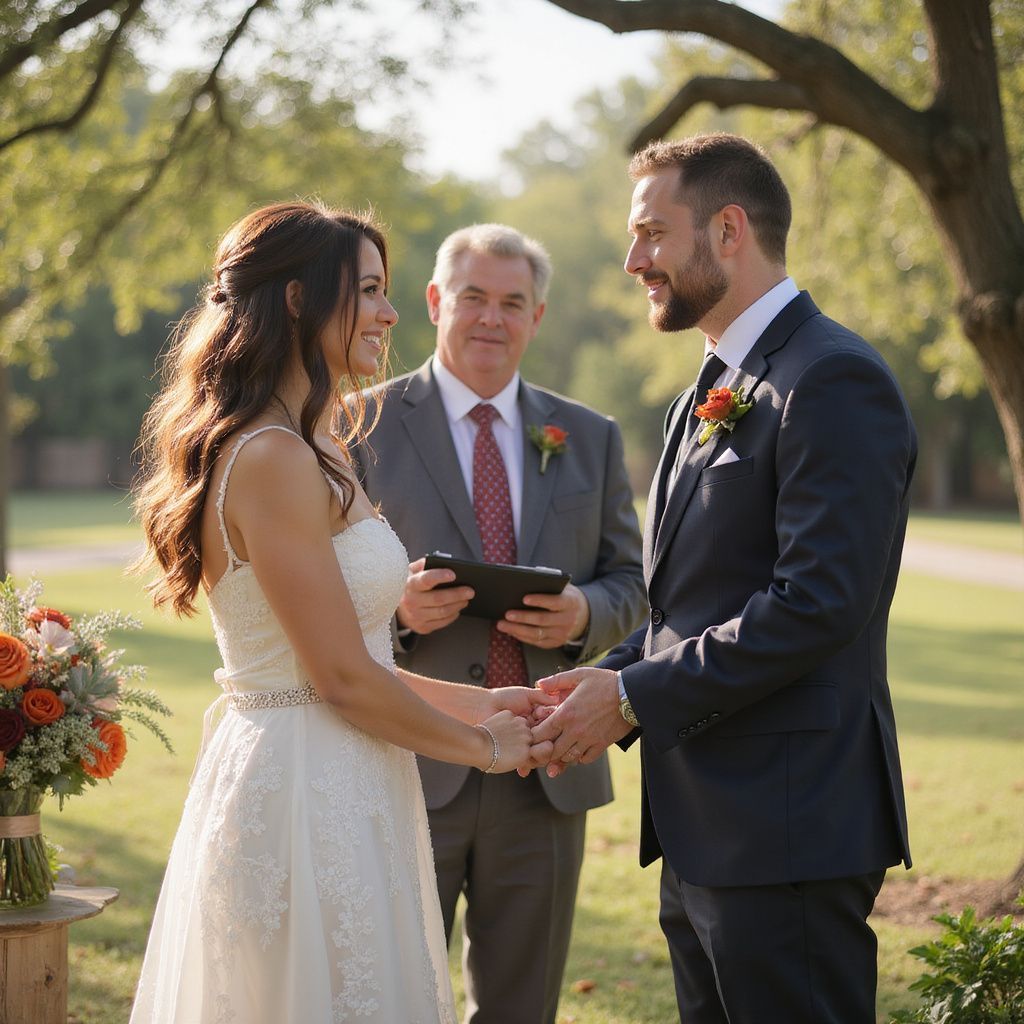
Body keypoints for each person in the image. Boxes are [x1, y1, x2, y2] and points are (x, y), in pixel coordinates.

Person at [129, 201, 552, 1024]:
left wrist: (494, 703)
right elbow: (339, 680)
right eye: (369, 290)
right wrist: (484, 747)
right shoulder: (272, 457)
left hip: (351, 775)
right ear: (296, 299)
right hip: (300, 793)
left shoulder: (317, 443)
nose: (391, 313)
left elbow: (354, 662)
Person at [532, 134, 916, 1023]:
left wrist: (630, 699)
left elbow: (816, 605)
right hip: (705, 823)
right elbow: (690, 601)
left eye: (652, 235)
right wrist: (608, 676)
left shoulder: (832, 378)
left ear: (729, 229)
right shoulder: (706, 388)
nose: (634, 262)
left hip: (790, 826)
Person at [352, 223, 646, 1024]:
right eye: (474, 297)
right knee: (389, 996)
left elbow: (636, 584)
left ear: (538, 316)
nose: (492, 318)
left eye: (513, 302)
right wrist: (397, 611)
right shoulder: (355, 427)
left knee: (523, 1008)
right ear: (436, 302)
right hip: (407, 757)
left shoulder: (589, 436)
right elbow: (315, 597)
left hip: (548, 765)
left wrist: (588, 612)